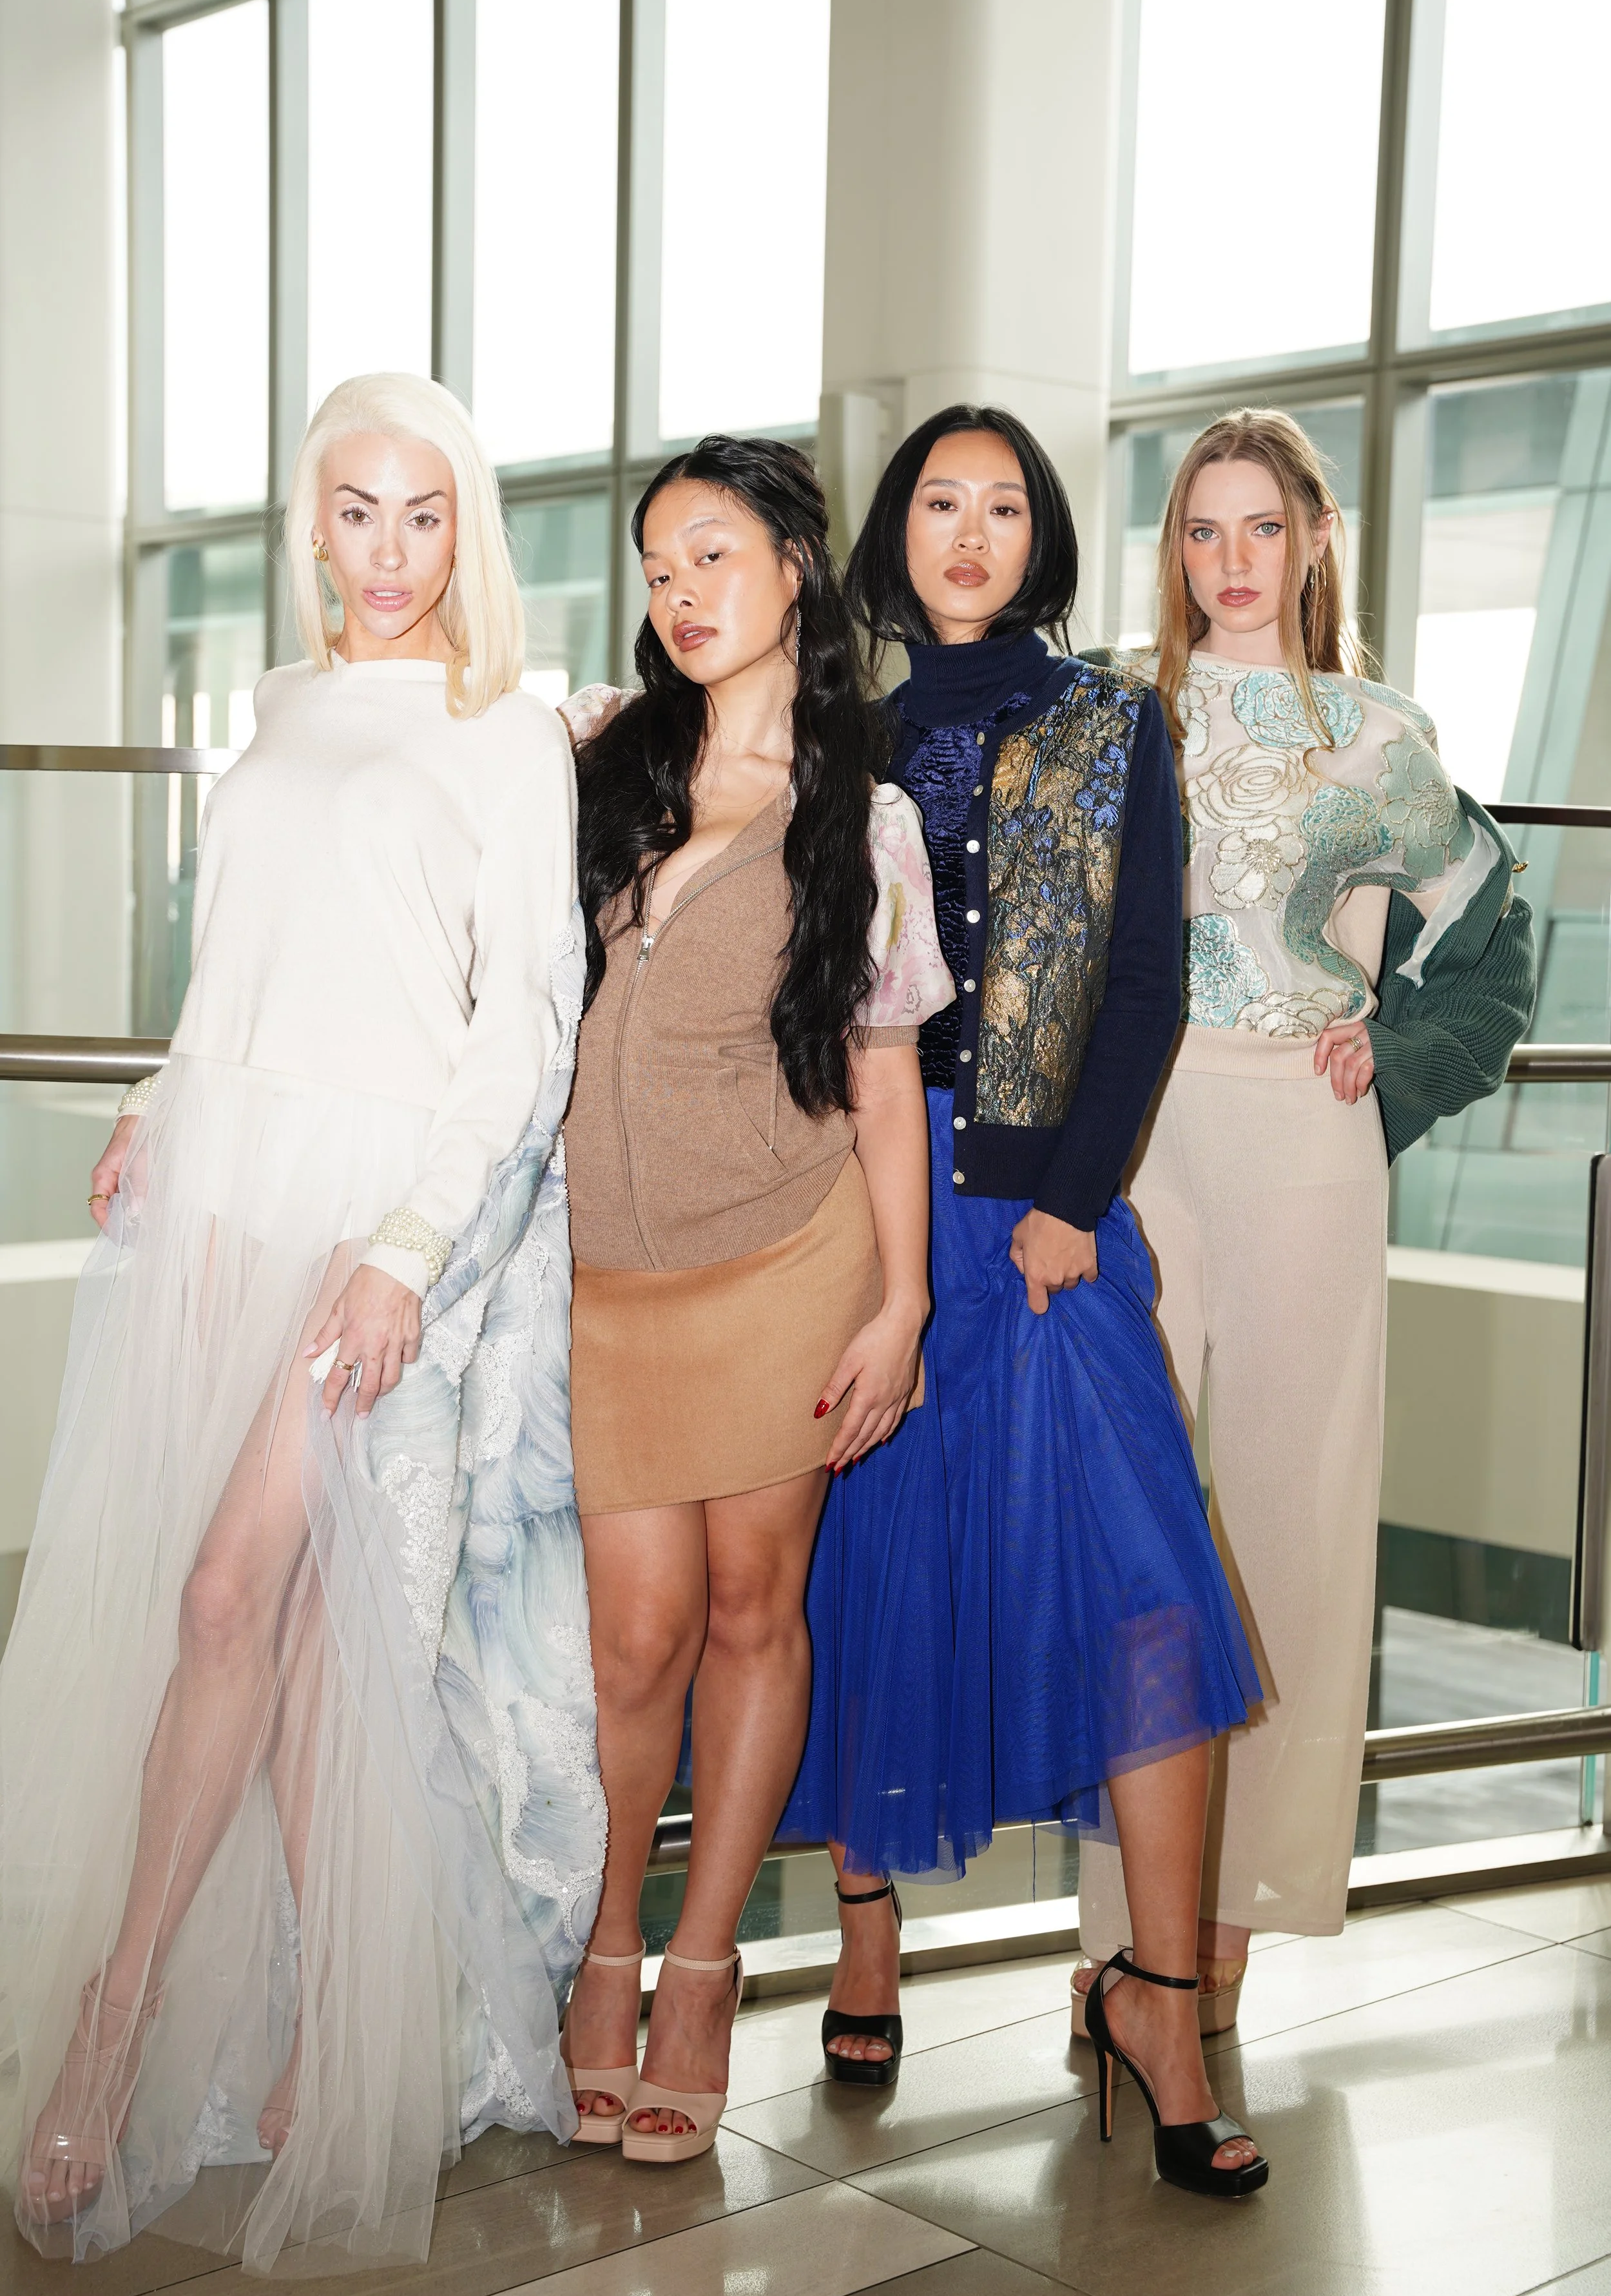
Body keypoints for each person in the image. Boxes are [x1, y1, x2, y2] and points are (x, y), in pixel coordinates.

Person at [0, 373, 603, 2271]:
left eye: (429, 514)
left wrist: (410, 1245)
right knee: (301, 1644)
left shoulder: (508, 727)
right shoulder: (268, 710)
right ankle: (355, 2032)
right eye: (359, 510)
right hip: (221, 1185)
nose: (395, 553)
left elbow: (524, 1019)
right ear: (309, 520)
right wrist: (156, 1104)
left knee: (220, 1594)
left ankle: (114, 2013)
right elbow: (230, 964)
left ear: (470, 527)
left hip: (370, 1216)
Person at [783, 405, 1268, 2197]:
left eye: (1001, 506)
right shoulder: (833, 729)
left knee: (1148, 1590)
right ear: (894, 535)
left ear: (1040, 535)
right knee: (848, 1565)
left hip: (1047, 1221)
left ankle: (1155, 1991)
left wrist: (1074, 1197)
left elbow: (1140, 975)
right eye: (937, 502)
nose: (968, 532)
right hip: (856, 1203)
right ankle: (860, 1929)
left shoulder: (1103, 719)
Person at [1074, 405, 1536, 2030]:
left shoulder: (1374, 737)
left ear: (1311, 537)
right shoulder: (1115, 718)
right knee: (1129, 1528)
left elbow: (1493, 951)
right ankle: (1119, 1927)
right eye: (1200, 532)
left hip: (1300, 1141)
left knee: (1289, 1527)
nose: (1228, 563)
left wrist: (1390, 1054)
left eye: (1257, 528)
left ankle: (1228, 1933)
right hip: (1128, 1143)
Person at [555, 436, 949, 2165]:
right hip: (606, 1283)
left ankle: (699, 1964)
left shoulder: (862, 817)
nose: (683, 595)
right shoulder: (595, 766)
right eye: (658, 570)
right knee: (631, 1634)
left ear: (793, 563)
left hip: (790, 1267)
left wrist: (902, 1307)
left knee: (746, 1609)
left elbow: (878, 1083)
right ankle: (600, 1935)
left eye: (712, 554)